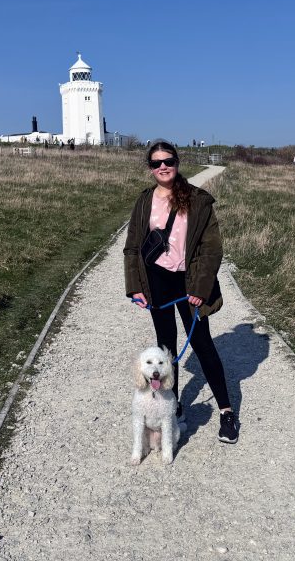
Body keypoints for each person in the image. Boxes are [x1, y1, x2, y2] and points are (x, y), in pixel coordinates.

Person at [123, 140, 239, 444]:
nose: (163, 166)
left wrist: (201, 288)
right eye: (156, 162)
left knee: (202, 344)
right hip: (157, 281)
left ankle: (226, 412)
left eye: (168, 161)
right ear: (150, 167)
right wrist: (135, 286)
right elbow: (132, 246)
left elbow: (212, 249)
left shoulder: (198, 200)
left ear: (177, 162)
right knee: (165, 349)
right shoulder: (144, 200)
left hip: (189, 282)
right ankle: (174, 410)